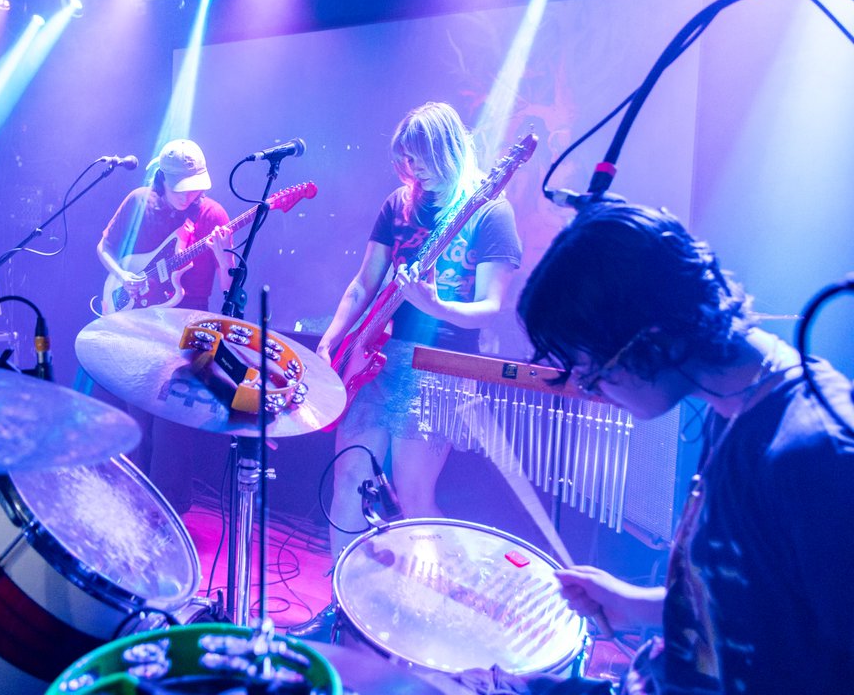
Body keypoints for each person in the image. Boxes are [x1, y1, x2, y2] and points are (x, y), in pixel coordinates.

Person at [508, 201, 854, 694]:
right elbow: (749, 600)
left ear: (653, 342)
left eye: (592, 372)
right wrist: (634, 601)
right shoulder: (733, 405)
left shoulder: (815, 454)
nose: (590, 391)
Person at [292, 102, 521, 635]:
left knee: (412, 491)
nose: (413, 172)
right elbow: (363, 282)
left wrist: (434, 303)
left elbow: (490, 306)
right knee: (350, 473)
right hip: (377, 356)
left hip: (440, 365)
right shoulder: (397, 206)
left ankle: (431, 619)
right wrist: (329, 343)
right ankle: (342, 610)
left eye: (422, 160)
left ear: (448, 149)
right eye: (406, 162)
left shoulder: (490, 211)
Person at [96, 139, 232, 502]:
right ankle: (124, 499)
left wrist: (223, 257)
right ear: (162, 179)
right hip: (139, 316)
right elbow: (104, 248)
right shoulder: (139, 202)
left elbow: (228, 286)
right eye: (180, 189)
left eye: (195, 188)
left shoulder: (213, 215)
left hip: (190, 318)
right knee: (134, 410)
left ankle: (168, 508)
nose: (188, 197)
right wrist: (122, 276)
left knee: (174, 420)